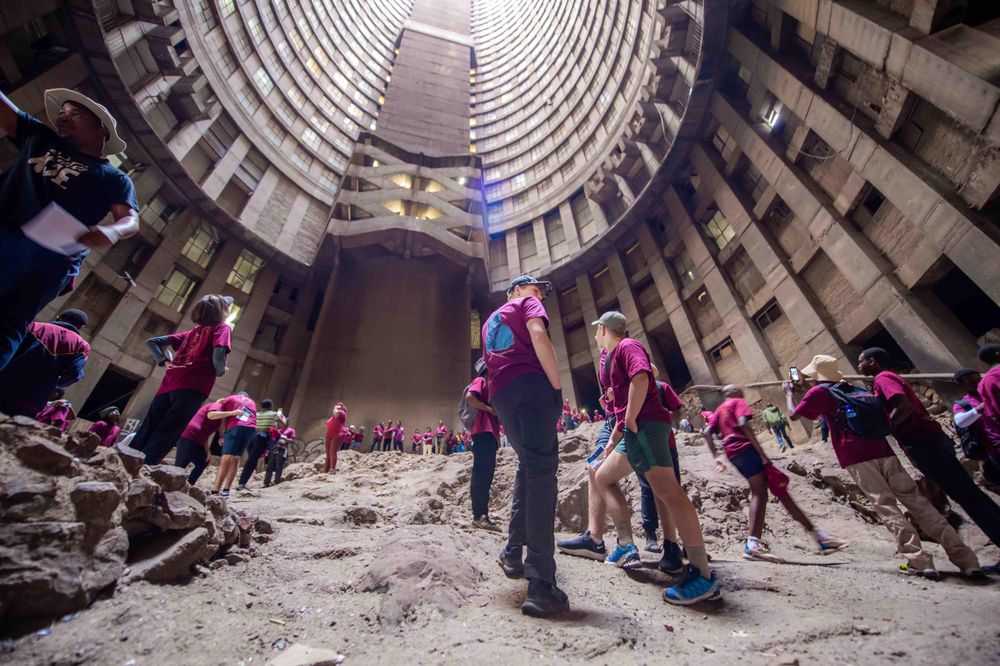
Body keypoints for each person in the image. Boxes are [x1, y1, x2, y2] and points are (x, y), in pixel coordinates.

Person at [787, 355, 983, 579]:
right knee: (918, 503)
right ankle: (966, 560)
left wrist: (789, 393)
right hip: (884, 450)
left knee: (886, 506)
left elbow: (795, 415)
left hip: (856, 456)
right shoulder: (852, 388)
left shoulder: (818, 393)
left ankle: (919, 561)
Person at [0, 88, 138, 376]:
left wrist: (112, 232)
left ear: (101, 129)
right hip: (7, 230)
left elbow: (130, 220)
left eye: (75, 114)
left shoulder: (114, 177)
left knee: (8, 323)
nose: (64, 118)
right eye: (61, 114)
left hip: (50, 260)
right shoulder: (39, 136)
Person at [588, 312, 722, 604]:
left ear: (603, 329)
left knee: (669, 493)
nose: (596, 335)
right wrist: (618, 431)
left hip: (644, 426)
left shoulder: (626, 346)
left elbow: (641, 376)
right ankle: (625, 544)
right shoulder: (615, 356)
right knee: (602, 476)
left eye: (597, 330)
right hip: (633, 431)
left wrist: (631, 419)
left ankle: (702, 574)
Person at [859, 347, 1000, 551]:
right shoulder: (887, 377)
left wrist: (884, 429)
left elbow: (904, 406)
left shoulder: (883, 378)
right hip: (929, 441)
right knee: (969, 494)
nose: (859, 366)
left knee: (967, 496)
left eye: (861, 361)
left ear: (872, 361)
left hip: (923, 442)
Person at [485, 275, 568, 618]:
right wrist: (557, 387)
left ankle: (511, 552)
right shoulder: (524, 303)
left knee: (528, 466)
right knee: (543, 474)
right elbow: (538, 334)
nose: (540, 297)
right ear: (517, 291)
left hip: (501, 394)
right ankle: (541, 581)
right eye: (536, 290)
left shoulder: (492, 319)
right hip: (531, 385)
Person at [704, 384, 847, 560]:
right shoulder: (737, 402)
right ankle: (753, 544)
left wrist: (716, 456)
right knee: (762, 493)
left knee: (773, 492)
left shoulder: (719, 409)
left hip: (732, 453)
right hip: (746, 450)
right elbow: (744, 424)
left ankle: (818, 537)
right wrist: (762, 454)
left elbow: (707, 432)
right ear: (733, 392)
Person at [131, 294, 233, 464]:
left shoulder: (191, 332)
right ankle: (144, 467)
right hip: (194, 386)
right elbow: (219, 353)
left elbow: (152, 342)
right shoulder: (222, 328)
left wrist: (163, 361)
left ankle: (126, 460)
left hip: (168, 385)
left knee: (148, 426)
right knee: (168, 430)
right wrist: (221, 370)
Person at [0, 309, 89, 417]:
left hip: (5, 385)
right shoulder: (82, 345)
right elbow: (74, 374)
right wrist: (57, 382)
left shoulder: (34, 327)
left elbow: (8, 350)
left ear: (58, 317)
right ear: (81, 327)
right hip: (32, 399)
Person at [466, 358, 502, 532]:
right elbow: (470, 398)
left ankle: (482, 515)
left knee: (486, 475)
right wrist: (489, 410)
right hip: (483, 432)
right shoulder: (481, 380)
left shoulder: (491, 384)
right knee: (481, 475)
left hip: (490, 435)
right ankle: (479, 516)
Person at [953, 367, 1000, 485]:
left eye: (978, 379)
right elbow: (960, 421)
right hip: (995, 448)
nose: (977, 383)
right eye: (971, 381)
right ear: (961, 385)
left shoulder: (992, 390)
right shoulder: (964, 404)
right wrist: (981, 408)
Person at [212, 392, 257, 498]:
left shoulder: (231, 398)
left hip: (236, 426)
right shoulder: (252, 402)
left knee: (226, 457)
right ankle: (226, 490)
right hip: (250, 428)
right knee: (236, 458)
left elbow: (222, 417)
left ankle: (215, 490)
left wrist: (222, 435)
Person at [173, 400, 225, 485]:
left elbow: (206, 435)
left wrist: (208, 452)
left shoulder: (221, 419)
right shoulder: (216, 405)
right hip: (190, 436)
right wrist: (232, 412)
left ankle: (189, 485)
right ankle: (170, 486)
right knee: (181, 465)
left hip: (199, 440)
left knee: (204, 461)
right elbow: (211, 415)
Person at [237, 400, 286, 490]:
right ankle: (241, 484)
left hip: (251, 438)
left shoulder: (257, 414)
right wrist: (281, 417)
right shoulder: (273, 414)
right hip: (261, 438)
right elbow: (283, 425)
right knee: (252, 461)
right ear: (271, 406)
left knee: (250, 460)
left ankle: (241, 482)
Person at [324, 402, 348, 472]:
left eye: (338, 406)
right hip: (329, 435)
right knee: (328, 454)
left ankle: (332, 469)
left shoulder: (342, 413)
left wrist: (336, 408)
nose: (337, 407)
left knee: (332, 452)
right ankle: (325, 470)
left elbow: (336, 413)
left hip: (338, 434)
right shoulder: (332, 417)